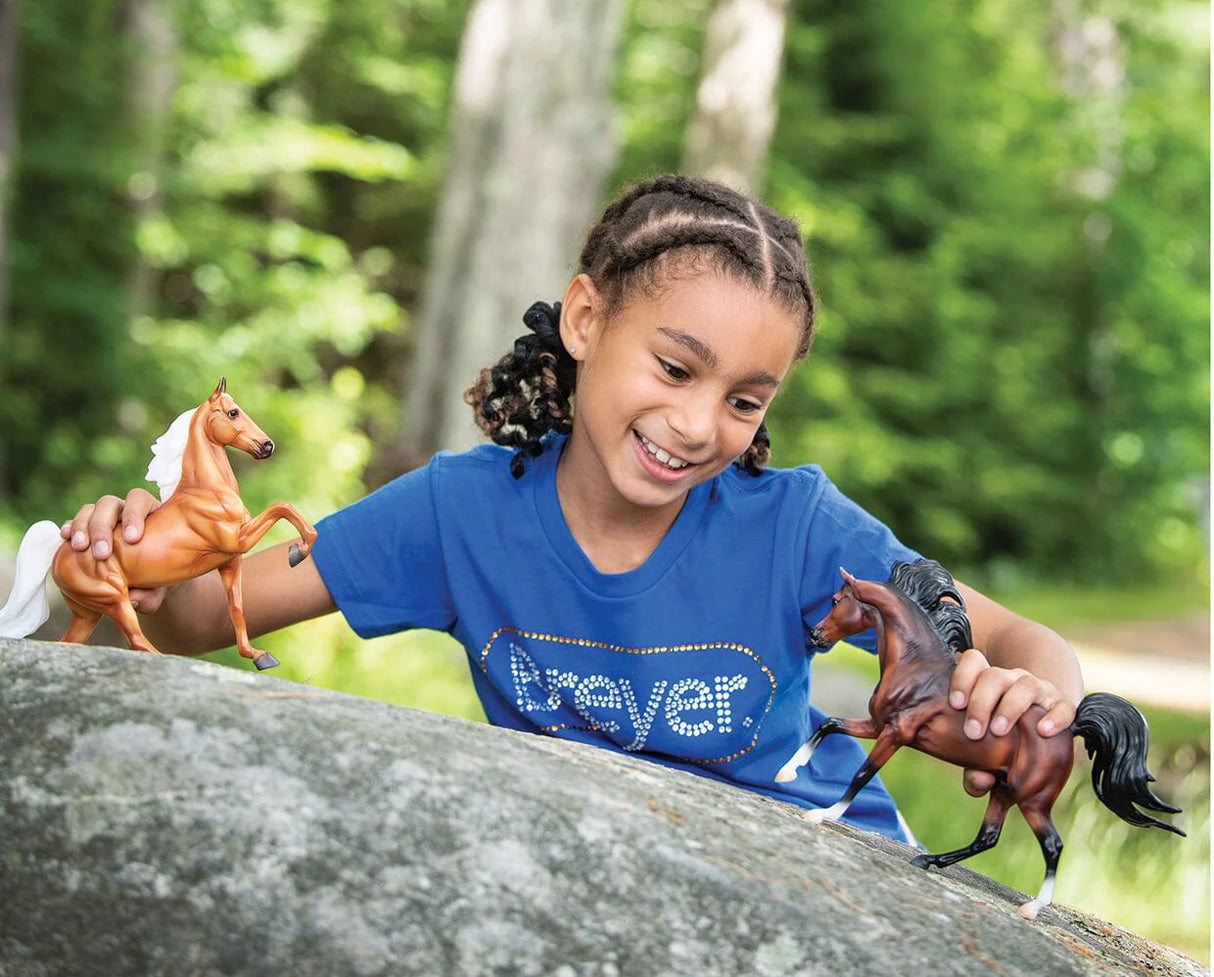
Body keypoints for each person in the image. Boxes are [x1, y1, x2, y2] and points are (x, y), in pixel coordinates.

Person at [63, 174, 1082, 841]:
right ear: (588, 317)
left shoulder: (798, 528)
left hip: (816, 865)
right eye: (674, 367)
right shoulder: (456, 515)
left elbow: (1014, 635)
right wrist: (125, 547)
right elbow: (202, 613)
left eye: (741, 399)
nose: (695, 424)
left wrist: (1028, 693)